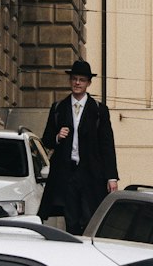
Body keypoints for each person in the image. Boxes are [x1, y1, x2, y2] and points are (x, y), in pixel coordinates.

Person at [39, 59, 118, 235]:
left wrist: (112, 177)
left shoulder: (99, 110)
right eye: (74, 79)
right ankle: (73, 249)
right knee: (71, 217)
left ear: (88, 83)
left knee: (90, 216)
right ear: (70, 81)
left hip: (91, 172)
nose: (77, 83)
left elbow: (107, 144)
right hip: (68, 173)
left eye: (81, 80)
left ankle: (87, 251)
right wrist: (58, 137)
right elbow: (46, 140)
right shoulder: (58, 108)